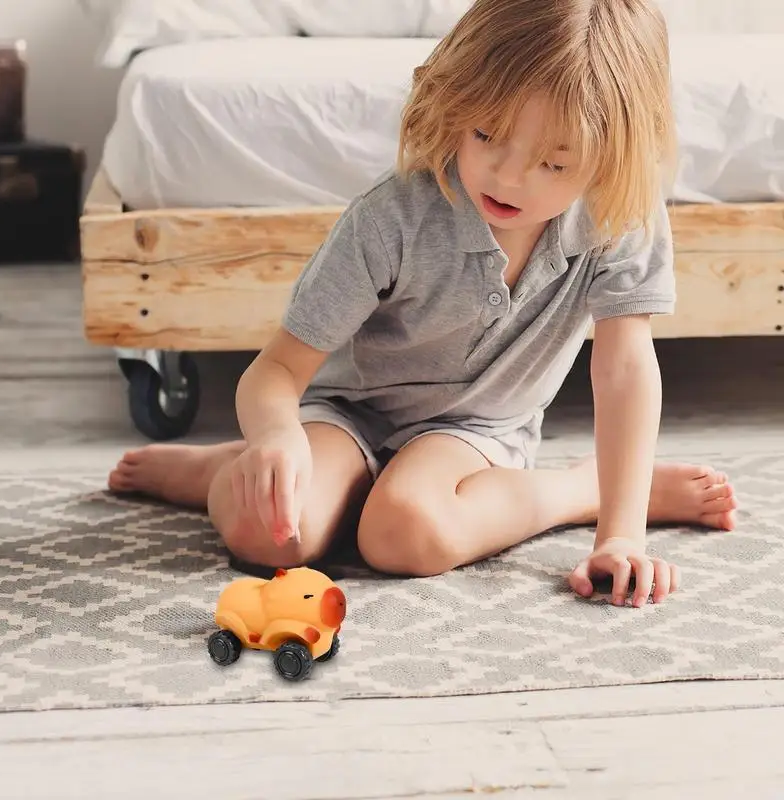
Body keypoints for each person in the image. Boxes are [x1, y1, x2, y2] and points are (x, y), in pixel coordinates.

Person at [109, 0, 737, 609]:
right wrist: (276, 436)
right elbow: (275, 372)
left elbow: (625, 369)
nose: (508, 176)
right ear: (455, 101)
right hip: (350, 413)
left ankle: (583, 488)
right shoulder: (393, 217)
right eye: (487, 133)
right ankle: (218, 470)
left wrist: (621, 533)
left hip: (475, 432)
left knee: (404, 534)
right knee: (270, 533)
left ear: (608, 162)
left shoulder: (621, 215)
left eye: (553, 163)